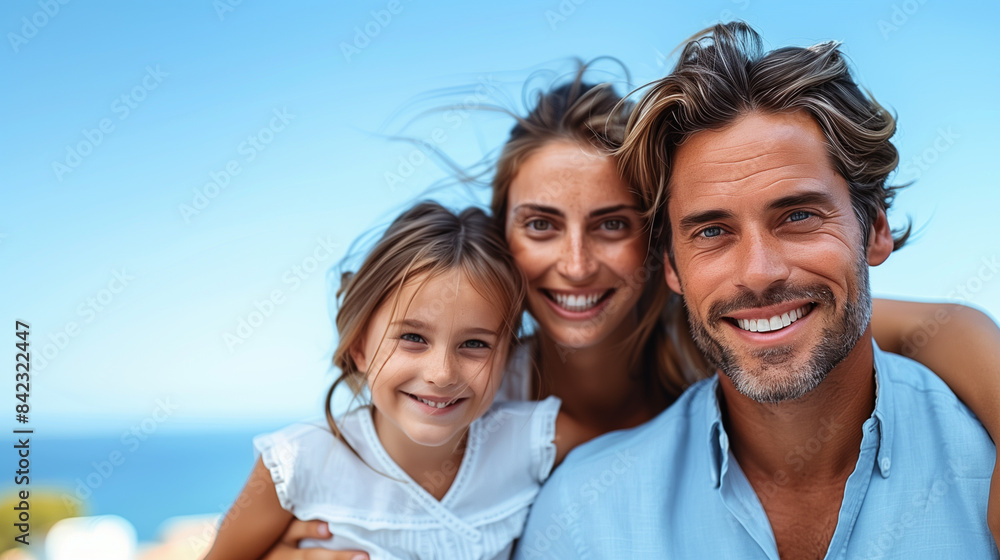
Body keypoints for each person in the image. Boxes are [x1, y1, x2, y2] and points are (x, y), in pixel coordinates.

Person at [264, 61, 1000, 559]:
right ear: (501, 240)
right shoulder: (462, 391)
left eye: (613, 224)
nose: (577, 264)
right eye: (541, 225)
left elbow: (936, 327)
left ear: (656, 252)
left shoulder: (723, 328)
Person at [516, 21, 997, 559]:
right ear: (671, 266)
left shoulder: (983, 461)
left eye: (797, 215)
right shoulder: (584, 517)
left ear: (876, 230)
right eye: (713, 232)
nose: (759, 272)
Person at [205, 202, 595, 560]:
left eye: (474, 344)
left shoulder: (535, 438)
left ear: (506, 356)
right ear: (359, 345)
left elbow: (644, 446)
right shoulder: (298, 463)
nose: (442, 373)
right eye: (413, 338)